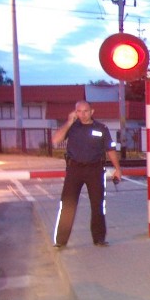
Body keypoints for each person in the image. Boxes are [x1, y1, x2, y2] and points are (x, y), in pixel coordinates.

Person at [52, 100, 122, 248]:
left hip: (95, 170)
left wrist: (118, 168)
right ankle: (61, 241)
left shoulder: (101, 128)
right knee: (68, 205)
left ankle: (99, 239)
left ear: (92, 112)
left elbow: (110, 150)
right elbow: (55, 140)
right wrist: (69, 122)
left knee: (97, 205)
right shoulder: (72, 127)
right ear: (75, 112)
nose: (82, 115)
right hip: (74, 170)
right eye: (79, 111)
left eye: (85, 111)